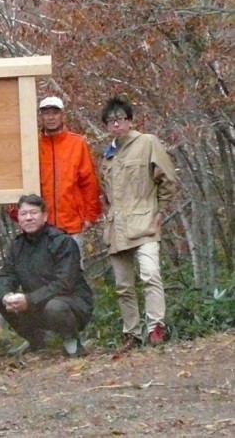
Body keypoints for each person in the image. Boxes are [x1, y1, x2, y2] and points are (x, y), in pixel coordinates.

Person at [100, 97, 177, 351]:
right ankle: (131, 334)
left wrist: (160, 210)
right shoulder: (107, 154)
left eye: (121, 119)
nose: (116, 124)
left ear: (131, 120)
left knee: (150, 273)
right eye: (111, 121)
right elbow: (106, 192)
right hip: (117, 227)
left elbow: (167, 179)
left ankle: (156, 327)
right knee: (123, 285)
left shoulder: (147, 142)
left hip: (145, 221)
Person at [0, 194, 94, 358]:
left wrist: (29, 300)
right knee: (3, 302)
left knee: (54, 307)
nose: (28, 218)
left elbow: (64, 283)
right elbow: (6, 275)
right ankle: (37, 341)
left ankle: (71, 341)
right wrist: (7, 294)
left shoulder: (62, 242)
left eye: (33, 213)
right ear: (18, 218)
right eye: (23, 214)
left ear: (45, 216)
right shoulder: (17, 246)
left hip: (71, 303)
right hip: (35, 303)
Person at [37, 96, 102, 266]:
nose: (51, 117)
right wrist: (17, 211)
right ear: (41, 116)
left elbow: (89, 181)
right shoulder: (32, 144)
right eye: (46, 113)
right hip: (39, 226)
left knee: (73, 275)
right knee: (42, 276)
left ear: (62, 115)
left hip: (72, 223)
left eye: (55, 113)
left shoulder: (77, 143)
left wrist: (90, 216)